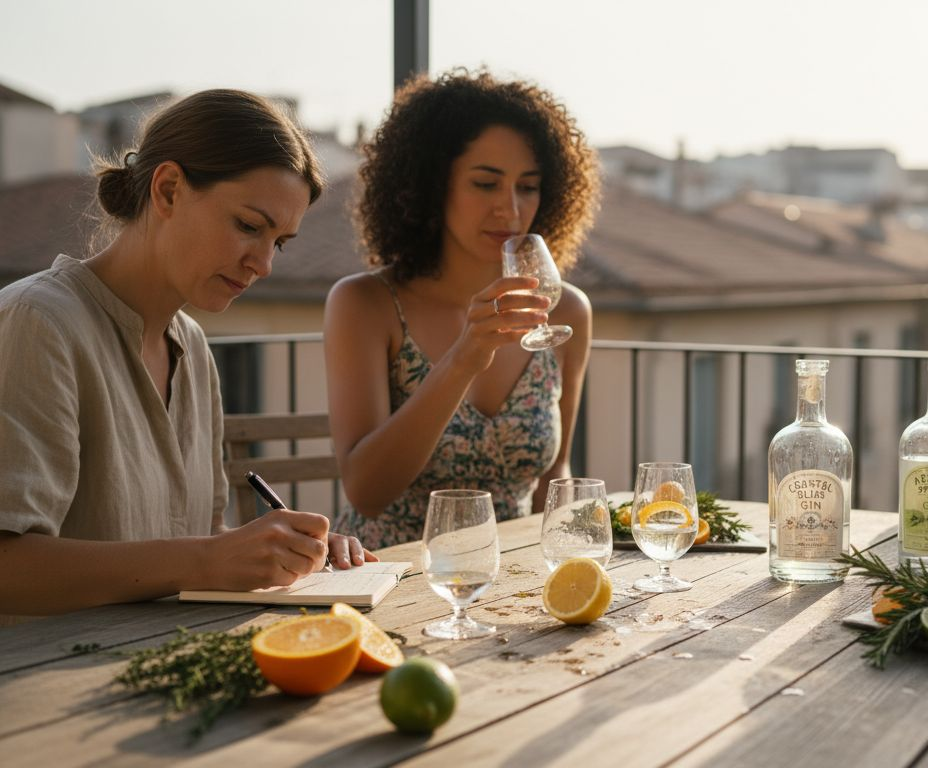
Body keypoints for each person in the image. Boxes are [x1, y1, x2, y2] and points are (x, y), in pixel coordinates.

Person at [0, 89, 374, 617]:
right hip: (49, 682)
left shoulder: (192, 346)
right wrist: (206, 558)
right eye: (249, 226)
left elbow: (189, 541)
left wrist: (280, 551)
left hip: (159, 666)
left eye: (280, 242)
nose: (264, 264)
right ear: (169, 189)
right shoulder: (37, 323)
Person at [325, 70, 600, 549]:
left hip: (509, 580)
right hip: (384, 579)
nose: (510, 209)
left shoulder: (567, 311)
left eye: (528, 187)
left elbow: (554, 479)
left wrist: (570, 563)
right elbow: (367, 493)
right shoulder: (365, 305)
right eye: (485, 183)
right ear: (433, 184)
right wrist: (464, 358)